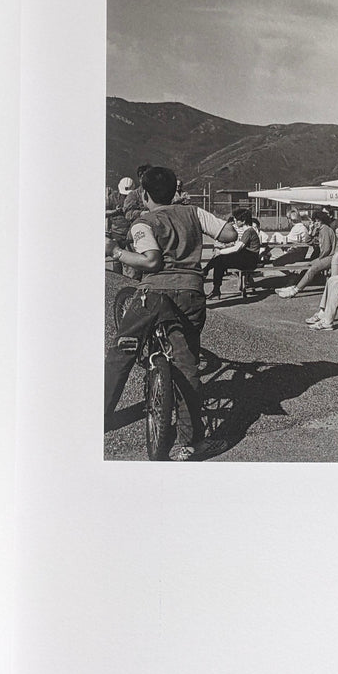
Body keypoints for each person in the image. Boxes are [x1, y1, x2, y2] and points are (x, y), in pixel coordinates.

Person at [106, 165, 236, 461]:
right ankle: (191, 443)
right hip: (191, 294)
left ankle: (98, 416)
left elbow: (150, 262)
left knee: (121, 352)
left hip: (153, 295)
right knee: (186, 363)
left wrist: (115, 252)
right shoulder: (194, 212)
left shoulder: (143, 222)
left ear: (145, 195)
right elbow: (228, 233)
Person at [274, 208, 338, 297]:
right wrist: (311, 231)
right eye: (314, 221)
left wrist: (319, 259)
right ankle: (293, 286)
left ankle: (295, 290)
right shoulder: (320, 230)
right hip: (328, 256)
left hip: (333, 256)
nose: (315, 223)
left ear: (322, 221)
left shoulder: (325, 229)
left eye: (317, 221)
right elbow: (308, 241)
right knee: (307, 266)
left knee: (312, 269)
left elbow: (326, 249)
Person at [203, 207, 262, 298]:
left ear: (243, 221)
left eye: (237, 220)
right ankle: (213, 285)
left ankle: (207, 276)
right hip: (247, 257)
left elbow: (237, 248)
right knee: (219, 261)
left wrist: (221, 251)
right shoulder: (248, 231)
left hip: (250, 260)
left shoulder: (249, 231)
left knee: (220, 259)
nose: (235, 222)